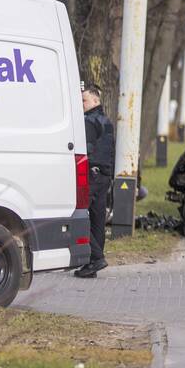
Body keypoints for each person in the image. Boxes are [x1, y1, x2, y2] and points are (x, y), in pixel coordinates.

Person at [76, 84, 114, 278]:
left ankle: (96, 258)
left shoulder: (89, 122)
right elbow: (111, 152)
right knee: (98, 219)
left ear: (95, 101)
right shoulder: (107, 121)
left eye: (84, 100)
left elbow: (86, 149)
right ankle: (93, 265)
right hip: (104, 176)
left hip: (91, 175)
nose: (81, 103)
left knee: (78, 215)